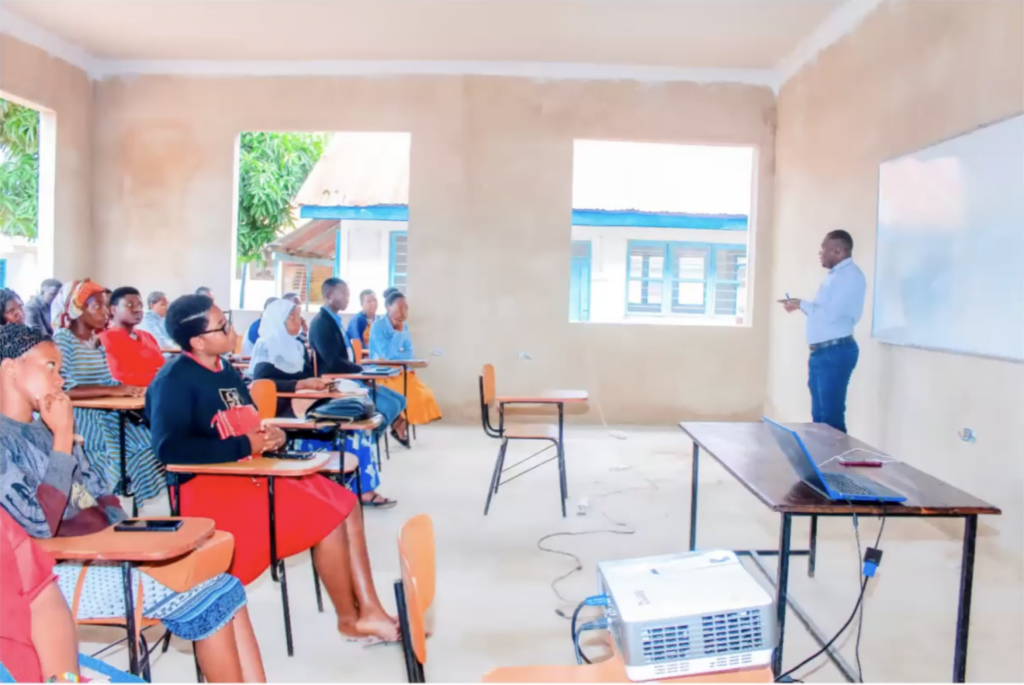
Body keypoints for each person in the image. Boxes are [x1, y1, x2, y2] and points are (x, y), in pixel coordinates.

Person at [0, 323, 266, 682]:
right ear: (10, 369)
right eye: (50, 367)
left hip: (107, 555)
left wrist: (123, 532)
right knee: (213, 595)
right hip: (56, 576)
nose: (60, 380)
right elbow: (38, 526)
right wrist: (63, 436)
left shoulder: (45, 425)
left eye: (61, 370)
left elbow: (102, 492)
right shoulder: (11, 438)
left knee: (224, 585)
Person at [146, 295, 400, 642]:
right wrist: (244, 446)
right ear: (197, 341)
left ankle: (369, 609)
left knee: (347, 503)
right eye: (223, 327)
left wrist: (271, 435)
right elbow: (169, 449)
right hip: (210, 488)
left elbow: (250, 420)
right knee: (324, 516)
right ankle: (348, 619)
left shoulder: (226, 370)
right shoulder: (174, 380)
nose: (232, 330)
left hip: (252, 472)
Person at [252, 299, 395, 508]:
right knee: (345, 431)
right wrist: (300, 384)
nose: (297, 320)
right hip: (282, 411)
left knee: (357, 431)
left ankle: (363, 489)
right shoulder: (266, 345)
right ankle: (351, 488)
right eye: (291, 316)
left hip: (306, 404)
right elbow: (262, 382)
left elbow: (309, 377)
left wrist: (321, 385)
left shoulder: (298, 346)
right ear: (278, 320)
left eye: (297, 314)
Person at [49, 280, 166, 505]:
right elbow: (63, 388)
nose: (105, 312)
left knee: (148, 443)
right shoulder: (63, 340)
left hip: (103, 412)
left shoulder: (95, 341)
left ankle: (125, 499)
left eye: (106, 306)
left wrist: (129, 390)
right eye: (98, 307)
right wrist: (114, 390)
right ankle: (104, 502)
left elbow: (106, 379)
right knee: (110, 452)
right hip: (79, 416)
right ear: (77, 310)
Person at [781, 229, 866, 434]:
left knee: (830, 420)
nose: (820, 253)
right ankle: (820, 464)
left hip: (835, 352)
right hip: (823, 352)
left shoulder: (849, 276)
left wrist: (802, 304)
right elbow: (824, 313)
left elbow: (830, 314)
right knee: (819, 420)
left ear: (837, 250)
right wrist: (802, 305)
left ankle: (835, 465)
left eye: (823, 249)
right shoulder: (835, 276)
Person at [310, 278, 410, 446]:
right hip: (337, 381)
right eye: (343, 294)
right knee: (390, 404)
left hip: (351, 375)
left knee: (400, 400)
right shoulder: (322, 323)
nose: (347, 299)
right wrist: (360, 371)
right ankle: (365, 444)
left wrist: (360, 373)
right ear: (328, 295)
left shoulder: (335, 320)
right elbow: (334, 363)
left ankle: (367, 441)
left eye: (348, 295)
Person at [370, 290, 442, 427]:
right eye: (400, 308)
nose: (403, 312)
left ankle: (402, 423)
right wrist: (397, 333)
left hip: (400, 371)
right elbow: (387, 355)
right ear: (388, 307)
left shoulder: (405, 325)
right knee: (412, 396)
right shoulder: (377, 326)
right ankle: (399, 424)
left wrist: (397, 357)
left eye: (406, 308)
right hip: (382, 374)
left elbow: (409, 353)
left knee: (426, 394)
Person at [99, 287, 166, 387]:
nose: (137, 310)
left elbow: (163, 368)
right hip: (129, 397)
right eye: (129, 305)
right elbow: (117, 377)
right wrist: (159, 378)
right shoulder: (105, 339)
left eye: (140, 306)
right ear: (113, 310)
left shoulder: (147, 336)